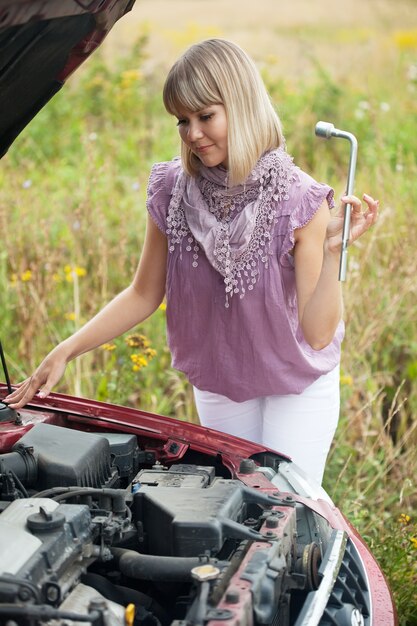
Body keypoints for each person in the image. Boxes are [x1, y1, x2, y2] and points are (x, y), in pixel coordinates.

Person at [5, 39, 378, 485]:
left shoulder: (300, 199)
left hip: (295, 384)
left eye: (206, 116)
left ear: (242, 107)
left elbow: (317, 335)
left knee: (291, 506)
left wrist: (335, 249)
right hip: (220, 381)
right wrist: (67, 349)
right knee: (233, 503)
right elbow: (144, 292)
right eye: (183, 119)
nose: (192, 133)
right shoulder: (170, 190)